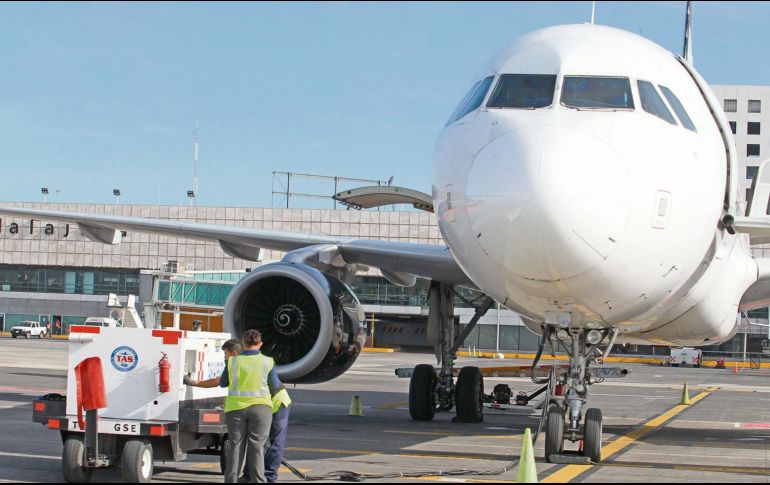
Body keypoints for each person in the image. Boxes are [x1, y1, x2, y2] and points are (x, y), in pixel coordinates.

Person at [220, 329, 281, 483]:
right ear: (260, 344)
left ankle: (231, 480)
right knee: (257, 448)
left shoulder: (232, 361)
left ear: (244, 343)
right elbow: (274, 386)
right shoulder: (268, 361)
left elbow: (223, 383)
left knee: (235, 446)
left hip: (236, 408)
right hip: (261, 409)